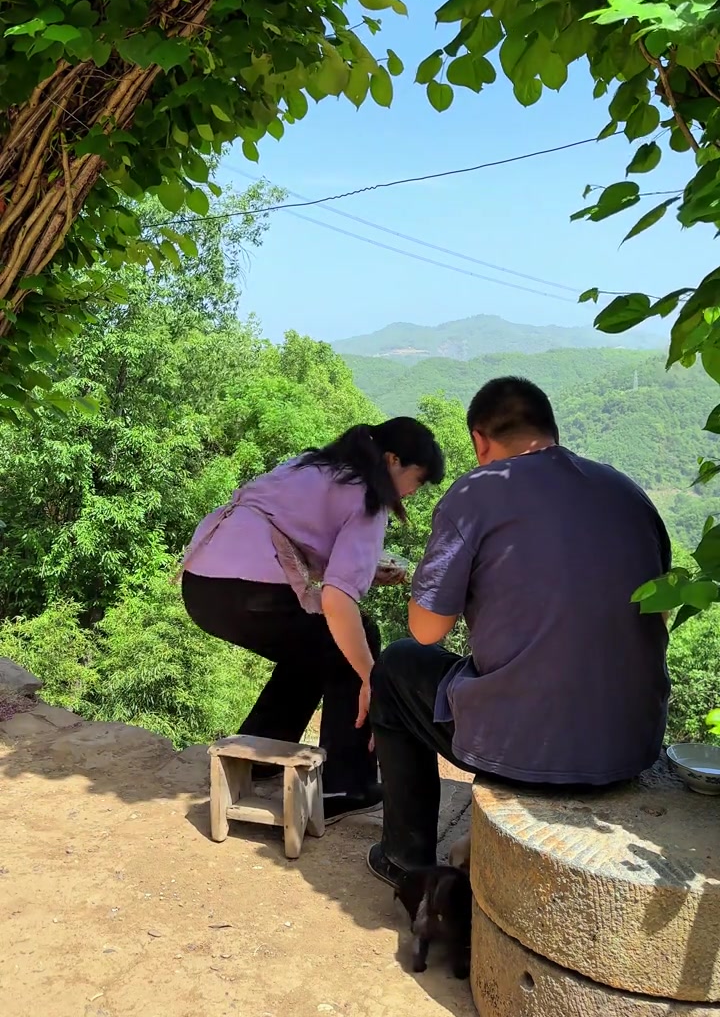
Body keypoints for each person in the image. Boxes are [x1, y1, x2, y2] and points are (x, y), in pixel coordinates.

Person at [367, 377, 671, 886]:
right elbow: (656, 617)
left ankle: (406, 859)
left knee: (397, 664)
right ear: (550, 430)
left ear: (479, 440)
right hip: (631, 743)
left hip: (527, 747)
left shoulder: (478, 491)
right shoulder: (627, 492)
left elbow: (426, 630)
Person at [181, 418, 444, 823]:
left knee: (313, 643)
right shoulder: (369, 498)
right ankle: (346, 783)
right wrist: (370, 677)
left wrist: (368, 573)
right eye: (417, 479)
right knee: (352, 638)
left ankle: (258, 755)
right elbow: (339, 600)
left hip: (201, 584)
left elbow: (290, 541)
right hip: (250, 592)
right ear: (393, 460)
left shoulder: (310, 465)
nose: (414, 492)